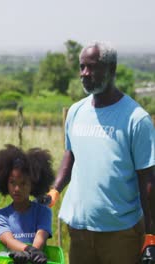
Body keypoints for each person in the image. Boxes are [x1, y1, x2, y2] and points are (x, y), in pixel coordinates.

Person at [45, 41, 155, 263]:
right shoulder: (76, 111)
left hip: (120, 233)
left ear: (111, 69)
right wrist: (55, 189)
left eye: (92, 67)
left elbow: (148, 181)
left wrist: (151, 236)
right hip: (79, 229)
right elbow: (71, 155)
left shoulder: (136, 119)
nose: (84, 74)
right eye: (82, 67)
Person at [0, 144, 54, 264]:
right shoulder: (1, 215)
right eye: (12, 182)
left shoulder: (43, 212)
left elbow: (41, 236)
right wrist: (28, 250)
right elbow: (8, 240)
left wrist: (31, 253)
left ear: (33, 185)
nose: (17, 188)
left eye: (23, 183)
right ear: (5, 182)